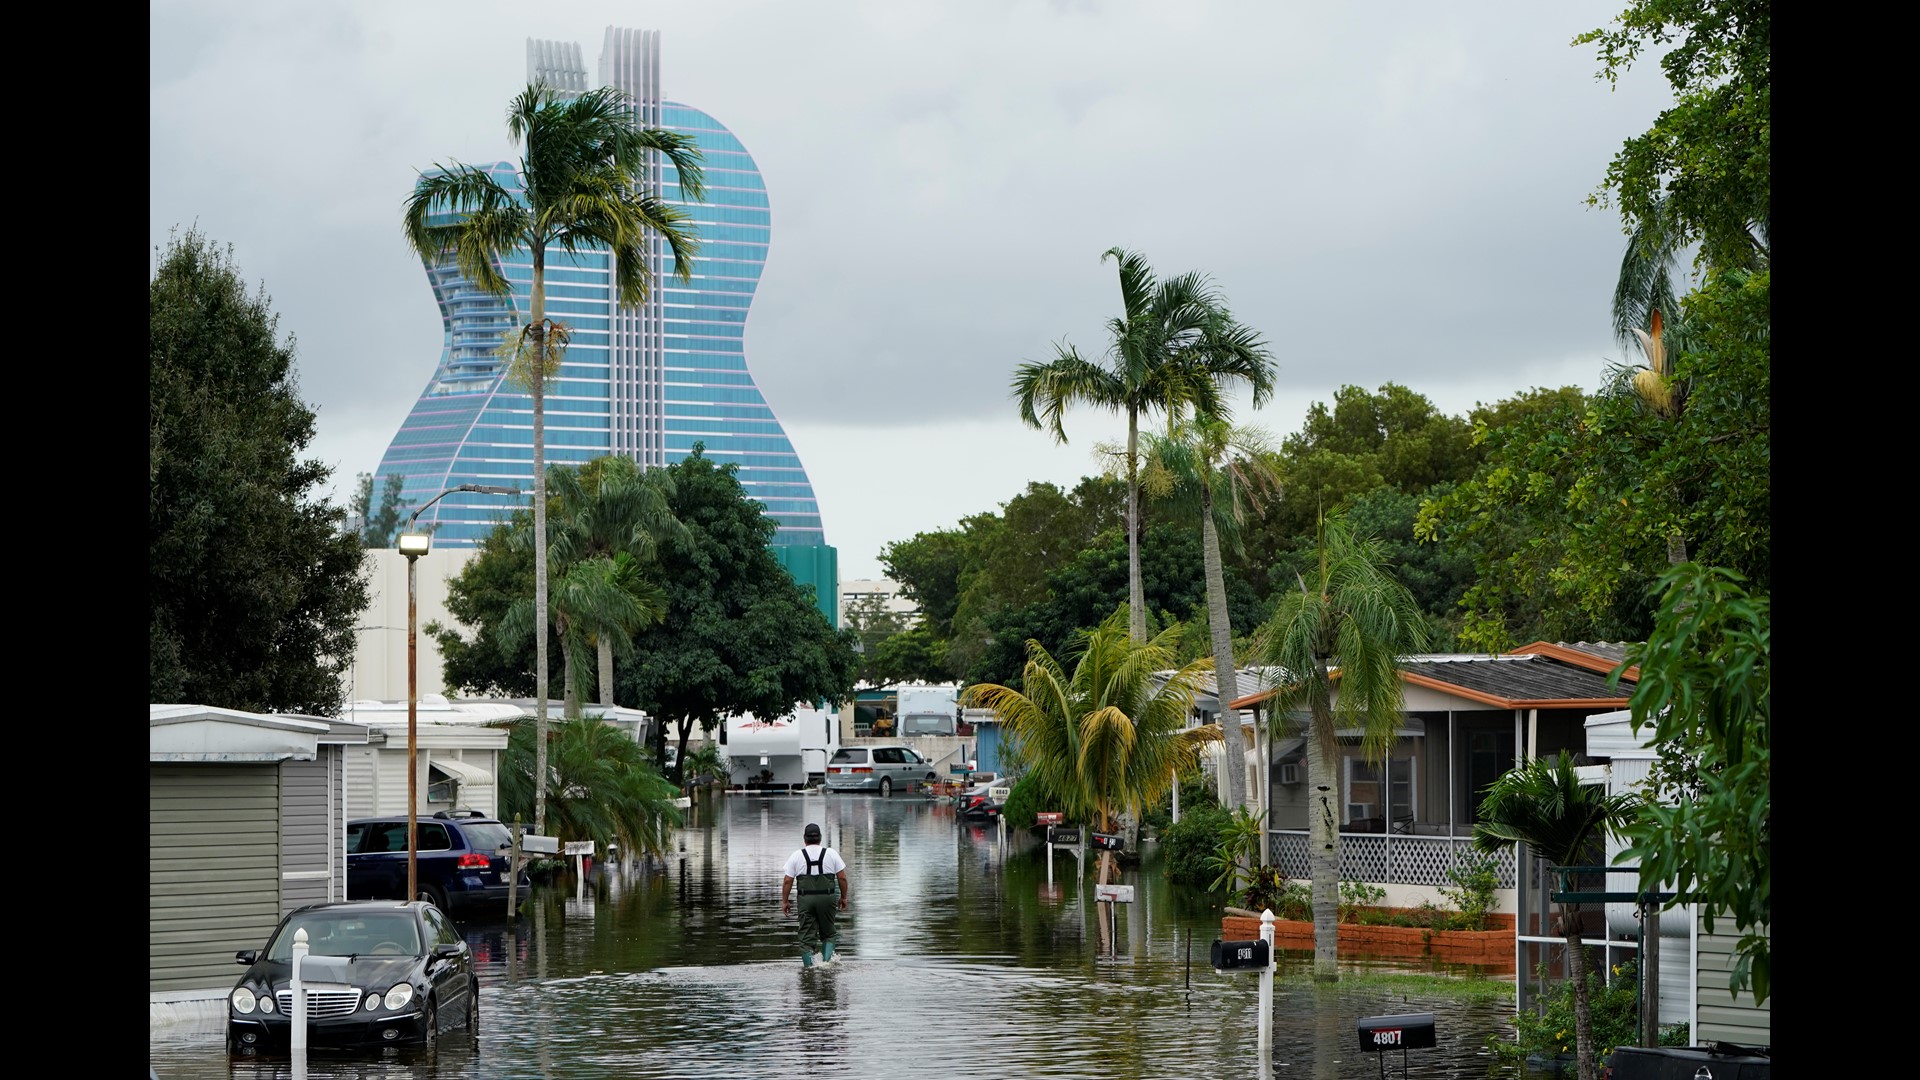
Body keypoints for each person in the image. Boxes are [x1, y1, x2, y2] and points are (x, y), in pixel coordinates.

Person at [780, 822, 848, 967]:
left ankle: (809, 970)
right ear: (820, 838)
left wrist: (785, 901)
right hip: (827, 898)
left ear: (804, 839)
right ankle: (826, 966)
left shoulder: (797, 855)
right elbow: (842, 877)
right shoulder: (831, 853)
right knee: (829, 934)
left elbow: (787, 881)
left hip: (806, 900)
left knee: (806, 938)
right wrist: (843, 897)